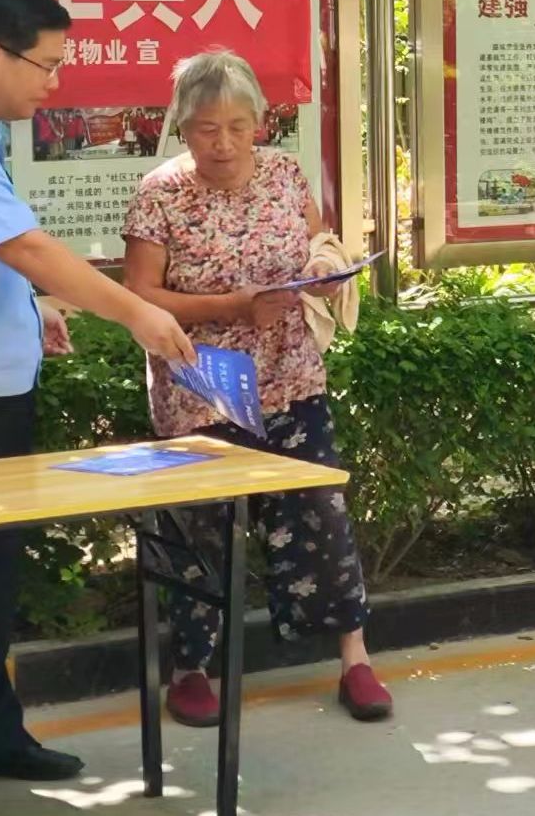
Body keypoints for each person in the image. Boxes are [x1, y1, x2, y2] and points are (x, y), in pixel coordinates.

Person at [0, 0, 195, 808]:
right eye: (46, 64)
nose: (55, 83)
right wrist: (138, 312)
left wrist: (33, 305)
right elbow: (25, 246)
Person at [120, 50, 393, 728]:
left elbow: (316, 241)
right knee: (199, 532)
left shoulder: (284, 173)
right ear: (183, 127)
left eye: (238, 127)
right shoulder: (159, 193)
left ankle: (354, 658)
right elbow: (140, 295)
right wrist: (233, 305)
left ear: (260, 123)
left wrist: (324, 272)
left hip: (290, 377)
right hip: (200, 388)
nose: (224, 143)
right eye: (207, 129)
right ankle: (190, 670)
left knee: (320, 514)